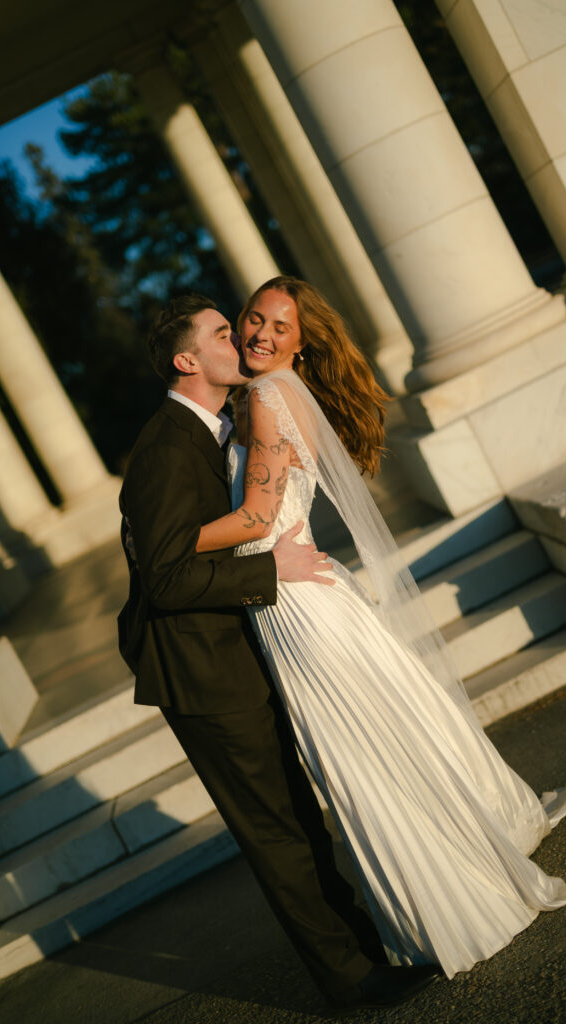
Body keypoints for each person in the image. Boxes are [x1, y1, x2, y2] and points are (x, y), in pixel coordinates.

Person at [194, 275, 566, 980]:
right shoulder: (289, 398)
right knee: (384, 742)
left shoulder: (264, 400)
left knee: (365, 759)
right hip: (303, 593)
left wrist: (165, 545)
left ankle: (451, 900)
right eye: (254, 319)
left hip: (294, 606)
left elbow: (254, 520)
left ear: (300, 343)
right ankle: (457, 871)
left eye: (278, 328)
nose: (259, 334)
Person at [117, 294, 442, 1010]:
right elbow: (163, 576)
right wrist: (272, 570)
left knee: (296, 817)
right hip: (203, 676)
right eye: (223, 333)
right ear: (187, 360)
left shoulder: (208, 428)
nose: (241, 340)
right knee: (279, 831)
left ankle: (362, 949)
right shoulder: (164, 449)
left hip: (239, 649)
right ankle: (348, 977)